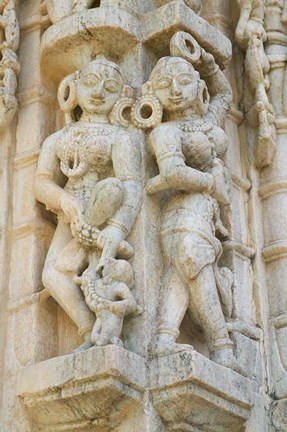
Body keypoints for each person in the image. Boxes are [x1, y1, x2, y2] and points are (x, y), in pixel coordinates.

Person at [143, 32, 239, 371]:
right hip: (183, 210)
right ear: (153, 93)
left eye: (183, 81)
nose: (176, 90)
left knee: (183, 270)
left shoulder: (208, 122)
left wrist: (204, 60)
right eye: (166, 84)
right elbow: (174, 173)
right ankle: (222, 348)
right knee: (190, 260)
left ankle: (164, 338)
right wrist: (213, 183)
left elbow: (225, 93)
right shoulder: (165, 133)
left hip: (206, 214)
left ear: (197, 86)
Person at [34, 56, 142, 351]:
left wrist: (117, 229)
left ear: (121, 96)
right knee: (52, 275)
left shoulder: (120, 137)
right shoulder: (58, 138)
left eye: (109, 88)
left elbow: (131, 185)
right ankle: (87, 329)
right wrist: (64, 200)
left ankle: (105, 322)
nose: (98, 94)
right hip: (71, 211)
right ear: (74, 86)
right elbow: (41, 181)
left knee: (110, 188)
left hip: (103, 210)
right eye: (91, 84)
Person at [76, 258, 142, 347]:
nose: (105, 269)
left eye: (110, 267)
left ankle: (112, 340)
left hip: (112, 315)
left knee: (103, 340)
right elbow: (87, 285)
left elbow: (132, 303)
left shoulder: (119, 286)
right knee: (94, 338)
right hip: (100, 316)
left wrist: (115, 306)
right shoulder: (98, 284)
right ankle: (110, 340)